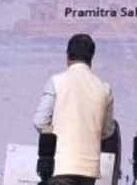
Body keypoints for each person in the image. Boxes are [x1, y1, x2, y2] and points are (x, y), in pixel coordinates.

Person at [33, 34, 115, 185]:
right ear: (91, 59)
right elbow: (107, 131)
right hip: (89, 171)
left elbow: (40, 121)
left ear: (67, 56)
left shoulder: (56, 82)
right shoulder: (104, 89)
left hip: (60, 167)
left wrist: (53, 134)